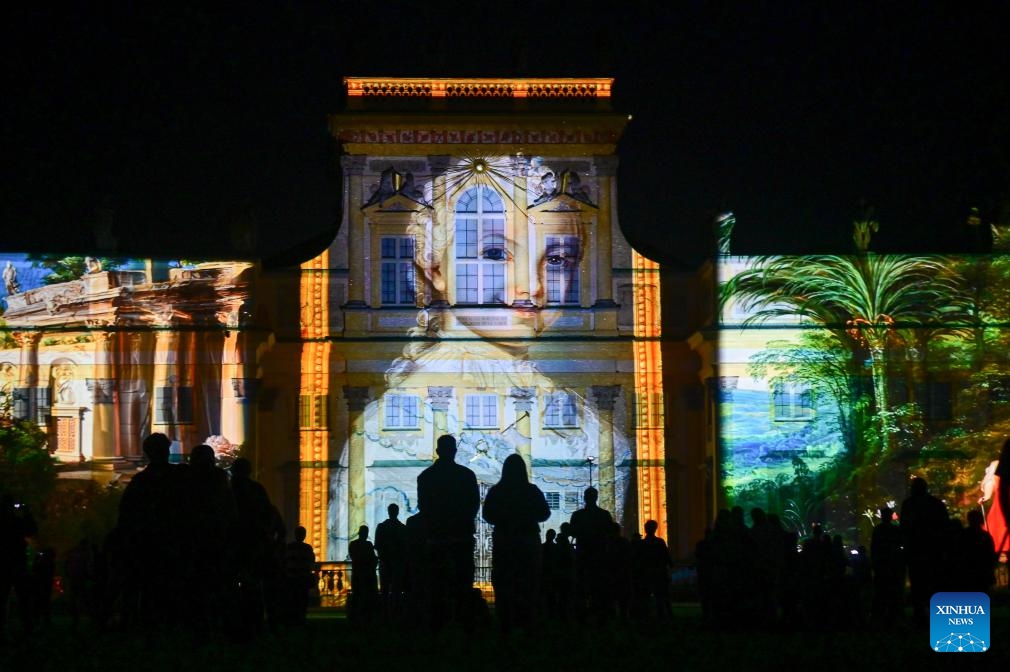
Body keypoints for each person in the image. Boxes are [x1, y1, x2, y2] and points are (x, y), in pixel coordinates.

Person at [416, 434, 480, 630]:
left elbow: (424, 507)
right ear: (454, 451)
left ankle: (437, 623)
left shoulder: (426, 477)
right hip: (461, 537)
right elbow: (473, 505)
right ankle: (463, 621)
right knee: (462, 583)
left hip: (436, 538)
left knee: (436, 584)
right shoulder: (466, 476)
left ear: (438, 451)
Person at [481, 453, 550, 633]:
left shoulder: (497, 491)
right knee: (529, 583)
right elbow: (544, 513)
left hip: (505, 540)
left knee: (505, 583)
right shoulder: (531, 490)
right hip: (527, 541)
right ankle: (528, 622)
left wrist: (504, 518)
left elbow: (487, 514)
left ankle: (506, 623)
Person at [900, 477, 949, 625]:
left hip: (916, 551)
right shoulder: (936, 504)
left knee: (918, 584)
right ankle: (936, 615)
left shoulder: (908, 505)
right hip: (933, 551)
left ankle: (920, 614)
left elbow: (904, 528)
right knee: (934, 583)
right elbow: (945, 527)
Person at [569, 486, 613, 623]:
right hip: (599, 556)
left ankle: (582, 616)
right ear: (596, 497)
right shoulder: (604, 515)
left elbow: (572, 532)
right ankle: (599, 615)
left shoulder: (578, 515)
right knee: (598, 588)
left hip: (583, 555)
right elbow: (610, 532)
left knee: (582, 587)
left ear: (585, 498)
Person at [374, 502, 408, 617]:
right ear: (397, 512)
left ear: (388, 512)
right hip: (397, 564)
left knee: (385, 590)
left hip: (385, 562)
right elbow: (405, 547)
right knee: (396, 590)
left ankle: (385, 613)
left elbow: (377, 545)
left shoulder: (381, 527)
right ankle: (396, 612)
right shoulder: (402, 528)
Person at [284, 526, 317, 625]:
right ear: (304, 535)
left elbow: (285, 561)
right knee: (302, 600)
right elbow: (312, 561)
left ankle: (293, 619)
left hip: (291, 578)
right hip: (303, 578)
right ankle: (301, 619)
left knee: (293, 600)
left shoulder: (289, 547)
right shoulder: (307, 548)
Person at [348, 525, 378, 624]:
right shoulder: (368, 545)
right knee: (365, 596)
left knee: (357, 596)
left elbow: (354, 557)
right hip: (367, 575)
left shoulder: (353, 544)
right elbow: (372, 558)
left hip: (358, 573)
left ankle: (356, 618)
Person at [979, 459, 1009, 557]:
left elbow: (990, 482)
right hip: (1001, 504)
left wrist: (986, 496)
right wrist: (986, 496)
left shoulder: (996, 465)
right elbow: (990, 482)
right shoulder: (996, 465)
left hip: (1002, 504)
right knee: (1000, 526)